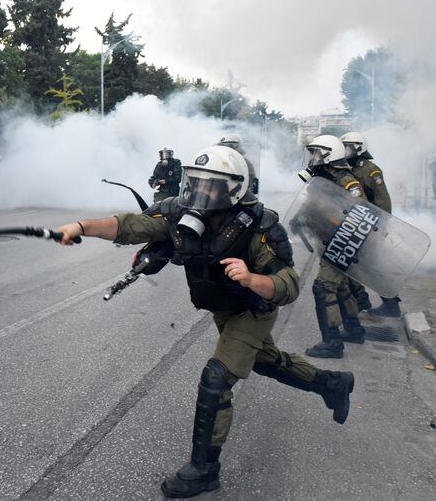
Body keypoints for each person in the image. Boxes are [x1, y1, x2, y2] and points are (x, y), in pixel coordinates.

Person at [56, 145, 354, 499]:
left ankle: (204, 470)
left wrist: (253, 279)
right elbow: (130, 225)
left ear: (235, 189)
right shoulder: (179, 213)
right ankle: (332, 384)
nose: (201, 192)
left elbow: (288, 284)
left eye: (211, 185)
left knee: (217, 376)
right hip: (223, 307)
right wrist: (81, 226)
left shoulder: (260, 226)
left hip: (252, 308)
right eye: (196, 182)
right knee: (265, 361)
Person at [298, 135, 367, 356]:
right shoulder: (326, 178)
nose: (314, 158)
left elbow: (361, 212)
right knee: (342, 285)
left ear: (330, 155)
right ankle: (354, 329)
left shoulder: (346, 181)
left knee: (324, 286)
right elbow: (316, 204)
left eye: (318, 153)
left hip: (344, 241)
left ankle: (332, 342)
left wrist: (335, 222)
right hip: (335, 240)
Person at [341, 132, 400, 318]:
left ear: (359, 148)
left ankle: (391, 304)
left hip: (372, 225)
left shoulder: (371, 170)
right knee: (353, 264)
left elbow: (383, 201)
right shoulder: (347, 169)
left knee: (372, 266)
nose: (345, 151)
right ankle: (361, 300)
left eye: (348, 147)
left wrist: (381, 226)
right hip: (356, 224)